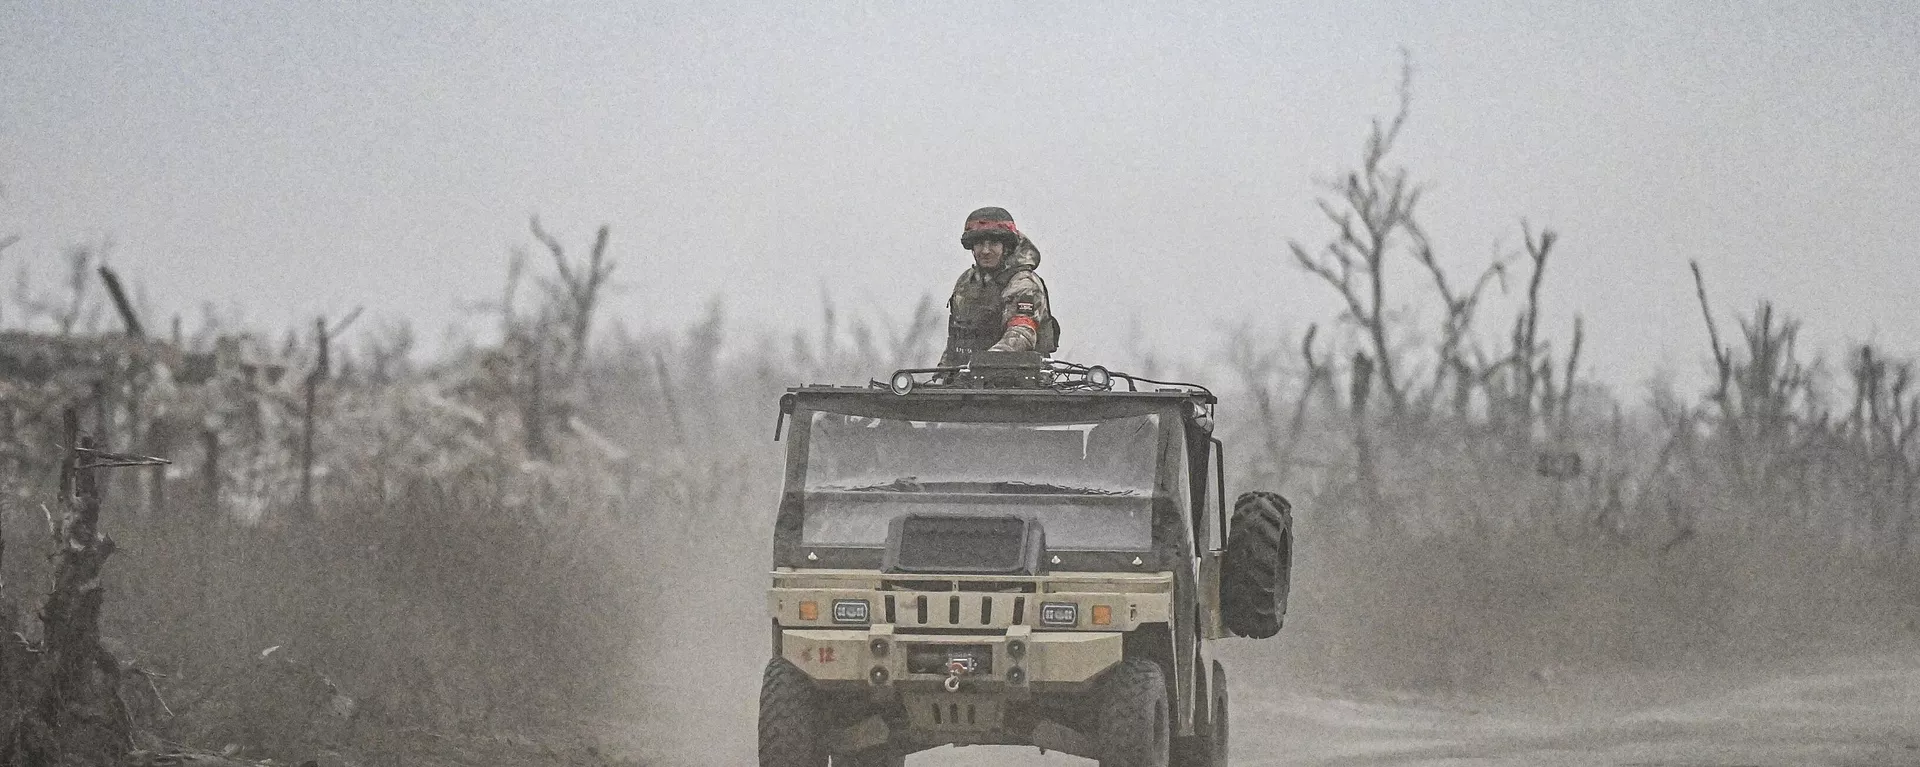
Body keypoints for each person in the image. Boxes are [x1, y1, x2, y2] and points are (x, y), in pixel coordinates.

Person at [937, 207, 1058, 367]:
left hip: (1020, 383)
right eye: (979, 244)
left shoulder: (1023, 283)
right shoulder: (966, 282)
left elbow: (1021, 335)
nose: (985, 251)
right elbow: (956, 342)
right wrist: (941, 376)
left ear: (1006, 247)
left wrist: (984, 364)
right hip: (968, 381)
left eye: (993, 243)